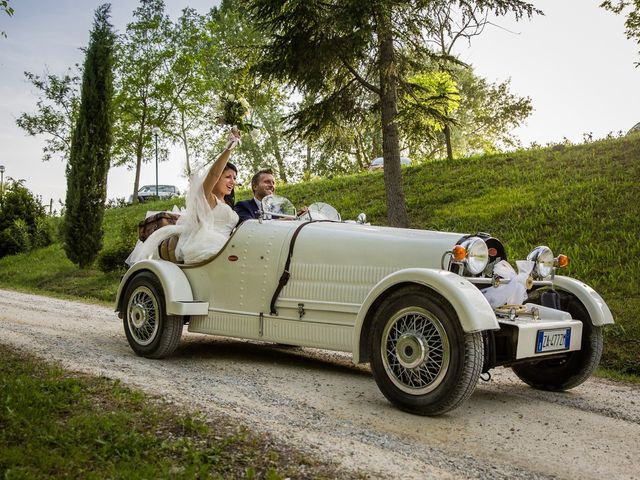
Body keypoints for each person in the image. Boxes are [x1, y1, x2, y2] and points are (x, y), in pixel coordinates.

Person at [127, 129, 241, 265]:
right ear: (217, 179)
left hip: (229, 243)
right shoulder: (207, 199)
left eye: (234, 178)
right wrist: (230, 147)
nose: (232, 181)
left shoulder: (227, 204)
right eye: (228, 177)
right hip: (208, 243)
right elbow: (213, 175)